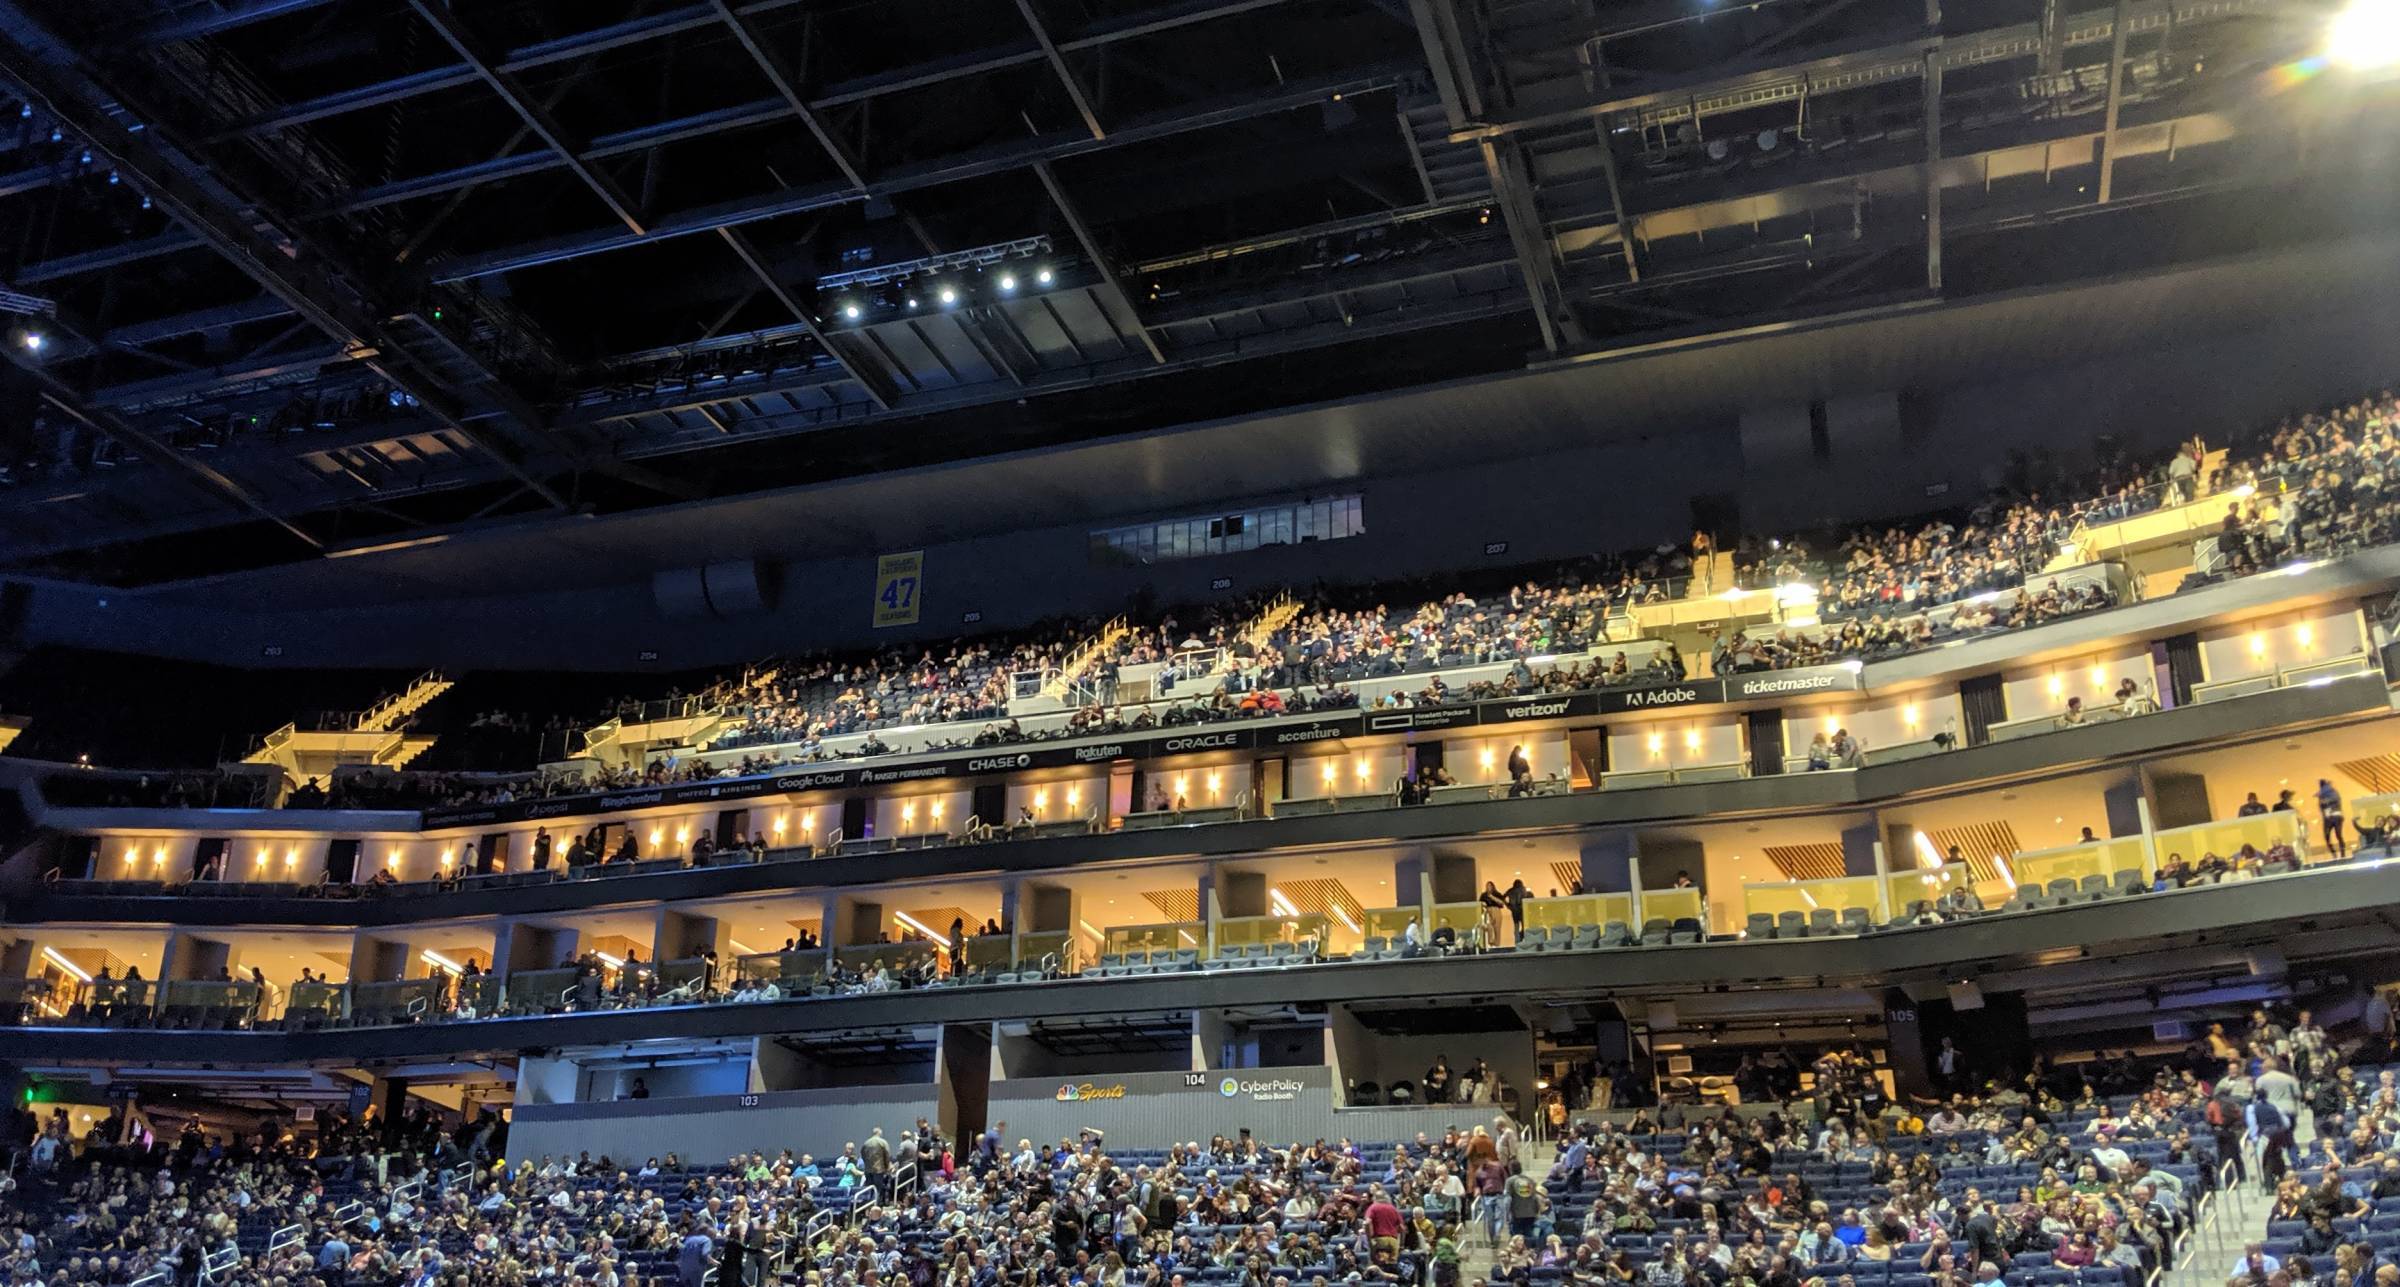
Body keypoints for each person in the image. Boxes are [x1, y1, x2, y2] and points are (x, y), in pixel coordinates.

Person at [2317, 779, 2348, 857]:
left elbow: (2335, 800)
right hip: (2329, 818)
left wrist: (2326, 802)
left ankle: (2341, 853)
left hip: (2335, 816)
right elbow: (2321, 806)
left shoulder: (2333, 793)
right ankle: (2335, 853)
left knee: (2337, 835)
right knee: (2328, 836)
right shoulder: (2322, 795)